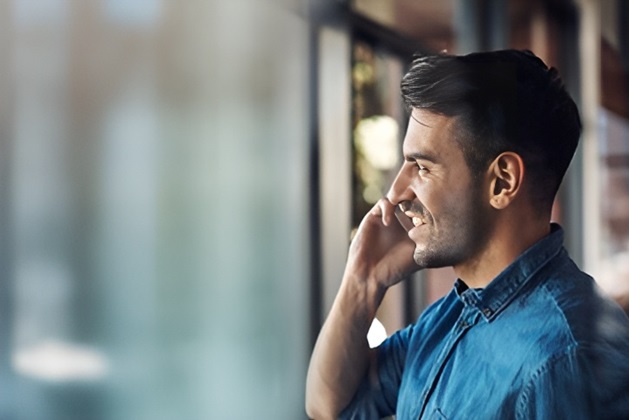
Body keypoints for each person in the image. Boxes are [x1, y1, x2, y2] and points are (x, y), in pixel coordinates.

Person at [305, 49, 629, 419]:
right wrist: (362, 280)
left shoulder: (566, 359)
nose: (396, 193)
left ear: (502, 181)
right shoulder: (453, 313)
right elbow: (330, 406)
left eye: (422, 167)